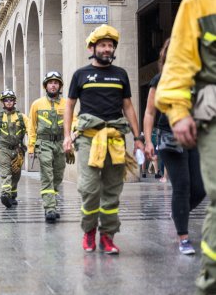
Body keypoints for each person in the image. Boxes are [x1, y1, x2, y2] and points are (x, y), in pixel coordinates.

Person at [155, 0, 216, 291]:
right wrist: (177, 114)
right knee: (191, 188)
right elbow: (176, 68)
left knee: (199, 190)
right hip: (200, 123)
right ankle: (211, 280)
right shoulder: (200, 1)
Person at [63, 24, 144, 254]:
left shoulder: (121, 74)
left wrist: (138, 138)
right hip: (89, 138)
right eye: (103, 45)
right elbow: (69, 105)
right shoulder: (81, 74)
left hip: (116, 139)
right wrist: (67, 136)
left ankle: (107, 236)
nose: (107, 49)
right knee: (89, 189)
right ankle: (89, 231)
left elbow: (128, 106)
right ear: (93, 47)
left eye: (110, 45)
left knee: (112, 190)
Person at [144, 39, 206, 254]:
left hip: (194, 137)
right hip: (169, 138)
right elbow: (150, 112)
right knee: (182, 185)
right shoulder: (160, 80)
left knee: (200, 188)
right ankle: (183, 238)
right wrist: (148, 141)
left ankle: (179, 211)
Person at [28, 71, 67, 223]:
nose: (53, 85)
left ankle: (52, 204)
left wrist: (72, 140)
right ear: (46, 86)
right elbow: (32, 127)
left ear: (60, 86)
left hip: (61, 143)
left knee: (58, 175)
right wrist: (31, 148)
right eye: (50, 82)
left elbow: (73, 121)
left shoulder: (66, 103)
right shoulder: (37, 104)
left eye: (56, 82)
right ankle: (49, 208)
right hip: (43, 144)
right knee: (47, 174)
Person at [0, 90, 30, 208]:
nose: (8, 102)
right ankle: (5, 194)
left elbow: (31, 130)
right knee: (6, 172)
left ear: (14, 101)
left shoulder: (22, 117)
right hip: (3, 149)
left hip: (18, 150)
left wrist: (32, 146)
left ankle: (12, 194)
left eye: (11, 100)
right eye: (6, 100)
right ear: (3, 102)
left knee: (16, 173)